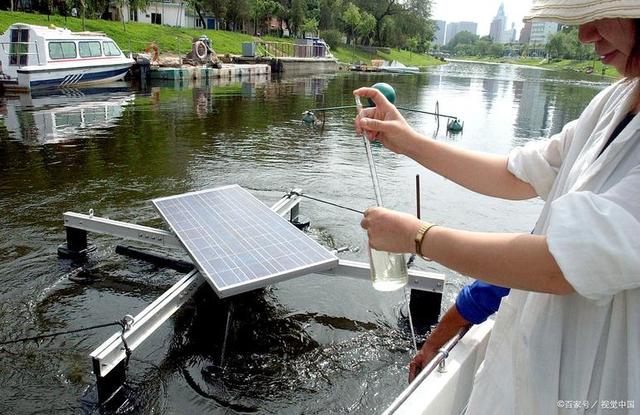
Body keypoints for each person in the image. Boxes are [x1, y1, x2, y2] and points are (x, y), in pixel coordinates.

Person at [355, 0, 640, 412]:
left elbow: (560, 265)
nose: (584, 35)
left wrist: (418, 237)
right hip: (535, 376)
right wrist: (407, 141)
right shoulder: (614, 100)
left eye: (597, 18)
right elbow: (517, 174)